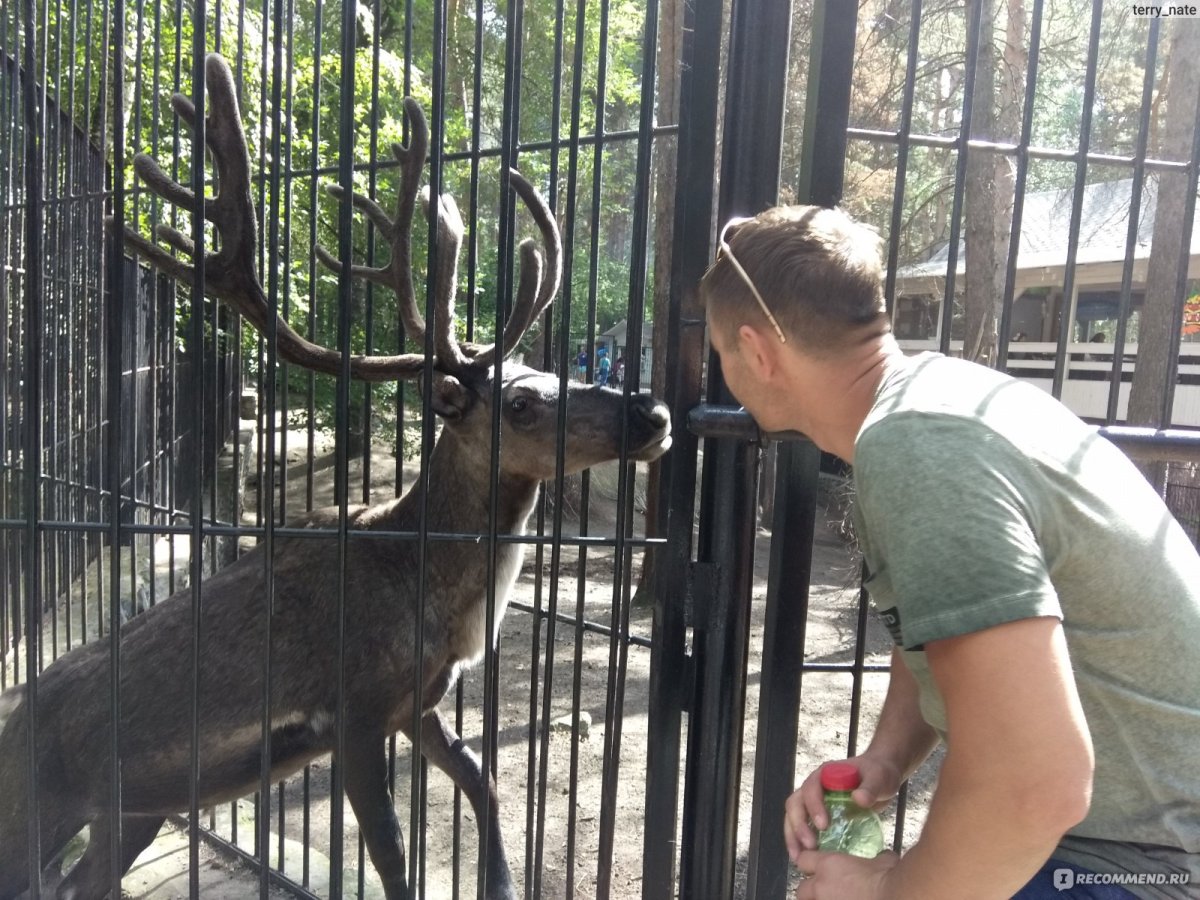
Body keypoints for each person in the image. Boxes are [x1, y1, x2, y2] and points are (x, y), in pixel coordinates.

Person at [699, 205, 1200, 900]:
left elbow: (1036, 785)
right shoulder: (928, 407)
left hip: (1138, 867)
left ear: (756, 352)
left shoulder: (917, 447)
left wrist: (886, 892)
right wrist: (884, 760)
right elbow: (955, 620)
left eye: (718, 352)